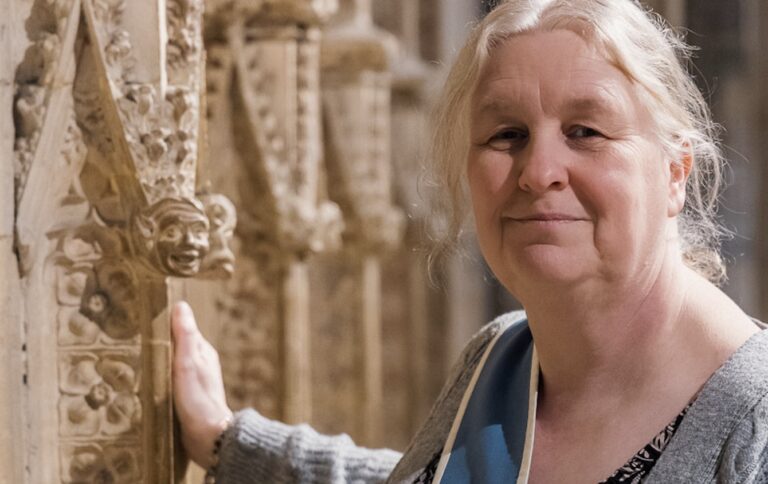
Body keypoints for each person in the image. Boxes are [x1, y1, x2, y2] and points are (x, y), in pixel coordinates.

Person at [172, 0, 768, 482]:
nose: (539, 171)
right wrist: (229, 440)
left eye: (585, 131)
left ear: (674, 173)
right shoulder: (501, 357)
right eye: (507, 134)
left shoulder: (753, 428)